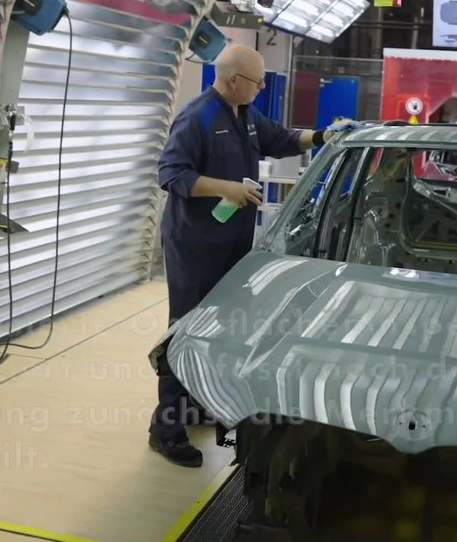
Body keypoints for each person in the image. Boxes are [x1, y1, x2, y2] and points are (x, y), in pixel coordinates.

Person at [148, 43, 352, 467]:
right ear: (233, 80)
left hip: (230, 242)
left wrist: (323, 136)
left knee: (216, 329)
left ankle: (195, 406)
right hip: (195, 245)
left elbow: (281, 139)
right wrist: (226, 187)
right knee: (184, 331)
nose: (261, 87)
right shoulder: (197, 117)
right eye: (257, 81)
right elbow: (171, 174)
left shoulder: (245, 115)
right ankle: (165, 428)